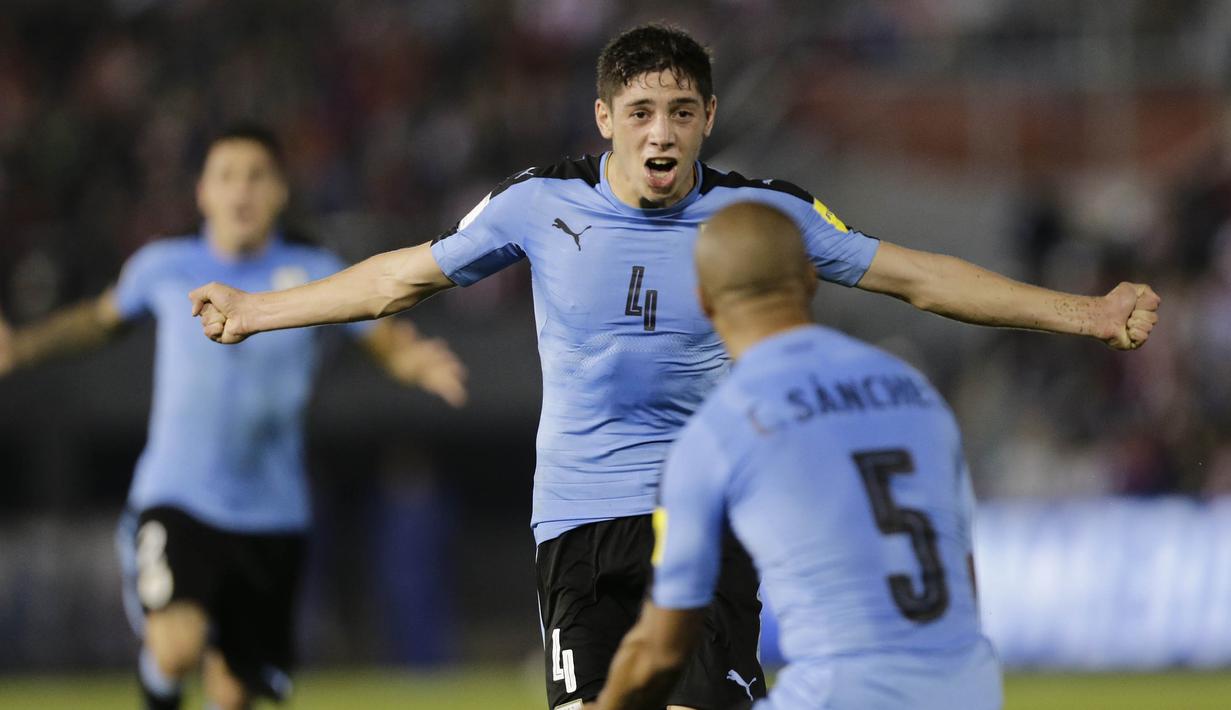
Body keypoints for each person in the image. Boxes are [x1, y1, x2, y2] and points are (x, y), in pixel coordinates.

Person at [188, 25, 1158, 710]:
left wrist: (1087, 312)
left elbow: (915, 276)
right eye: (643, 110)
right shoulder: (537, 203)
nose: (662, 132)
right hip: (571, 522)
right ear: (604, 115)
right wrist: (257, 309)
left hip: (701, 511)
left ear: (709, 118)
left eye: (682, 111)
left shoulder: (761, 213)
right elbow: (399, 278)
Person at [0, 124, 467, 710]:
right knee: (175, 645)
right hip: (177, 497)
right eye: (226, 176)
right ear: (202, 192)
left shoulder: (313, 270)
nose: (241, 191)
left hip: (273, 513)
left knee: (232, 693)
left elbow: (380, 335)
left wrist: (414, 362)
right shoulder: (164, 266)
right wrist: (23, 346)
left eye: (256, 176)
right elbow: (98, 320)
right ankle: (158, 682)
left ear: (279, 192)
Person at [596, 201, 1002, 710]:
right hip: (972, 692)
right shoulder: (915, 391)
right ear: (810, 279)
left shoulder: (720, 431)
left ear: (703, 302)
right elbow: (963, 586)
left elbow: (659, 652)